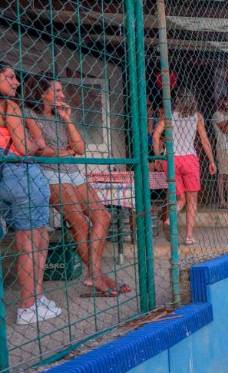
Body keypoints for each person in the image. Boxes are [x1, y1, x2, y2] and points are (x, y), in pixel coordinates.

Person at [24, 75, 130, 297]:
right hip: (50, 174)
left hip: (72, 171)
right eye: (58, 91)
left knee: (103, 216)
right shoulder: (29, 114)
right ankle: (98, 276)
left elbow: (80, 148)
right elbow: (40, 152)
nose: (63, 96)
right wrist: (66, 152)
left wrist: (67, 119)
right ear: (42, 93)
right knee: (80, 224)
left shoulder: (59, 117)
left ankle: (95, 274)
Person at [0, 63, 61, 324]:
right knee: (30, 242)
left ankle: (35, 297)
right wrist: (35, 143)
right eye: (10, 77)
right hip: (21, 173)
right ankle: (27, 305)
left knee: (37, 237)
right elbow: (25, 147)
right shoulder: (9, 107)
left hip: (10, 176)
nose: (16, 82)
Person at [153, 88, 217, 245]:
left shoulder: (168, 116)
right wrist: (211, 160)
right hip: (189, 158)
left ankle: (169, 218)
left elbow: (155, 135)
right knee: (192, 200)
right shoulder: (197, 117)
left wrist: (157, 157)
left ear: (177, 101)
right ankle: (189, 236)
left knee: (179, 197)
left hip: (171, 158)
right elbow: (204, 140)